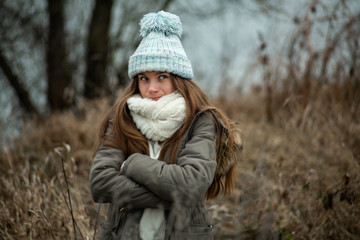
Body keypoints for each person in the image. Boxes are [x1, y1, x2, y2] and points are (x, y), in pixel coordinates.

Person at [89, 10, 242, 240]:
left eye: (162, 77)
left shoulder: (200, 121)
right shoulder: (122, 118)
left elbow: (191, 184)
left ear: (178, 79)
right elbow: (100, 183)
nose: (152, 88)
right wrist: (170, 191)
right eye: (144, 78)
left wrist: (134, 164)